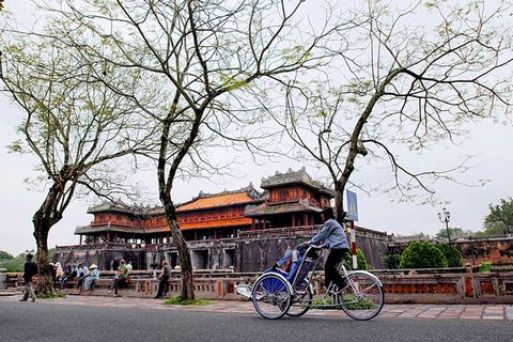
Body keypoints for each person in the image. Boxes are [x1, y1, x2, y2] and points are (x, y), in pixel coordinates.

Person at [306, 207, 350, 294]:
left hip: (338, 248)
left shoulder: (329, 222)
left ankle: (341, 284)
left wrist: (310, 242)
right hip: (341, 247)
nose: (322, 217)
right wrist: (323, 246)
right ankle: (330, 287)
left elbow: (322, 234)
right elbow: (330, 238)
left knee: (328, 267)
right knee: (330, 268)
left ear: (326, 215)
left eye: (322, 215)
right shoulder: (334, 223)